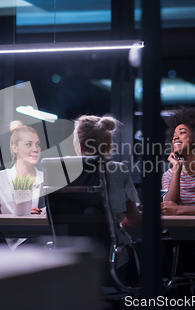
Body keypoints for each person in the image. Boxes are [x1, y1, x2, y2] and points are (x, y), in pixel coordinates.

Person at [73, 114, 142, 278]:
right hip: (111, 255)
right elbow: (133, 219)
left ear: (80, 144)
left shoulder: (62, 171)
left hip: (69, 255)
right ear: (107, 143)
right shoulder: (116, 170)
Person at [0, 121, 43, 251]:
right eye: (28, 144)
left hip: (40, 243)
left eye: (38, 144)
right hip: (9, 244)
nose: (35, 149)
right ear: (14, 148)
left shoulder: (46, 178)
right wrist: (17, 216)